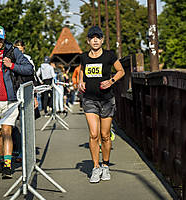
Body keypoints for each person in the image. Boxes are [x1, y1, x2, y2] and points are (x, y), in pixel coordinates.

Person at [79, 26, 125, 183]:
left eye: (98, 37)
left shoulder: (109, 56)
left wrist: (111, 81)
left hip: (106, 100)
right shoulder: (83, 57)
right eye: (92, 38)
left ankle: (105, 166)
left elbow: (121, 71)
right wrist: (80, 82)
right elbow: (81, 71)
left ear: (102, 40)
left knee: (105, 136)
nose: (95, 40)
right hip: (89, 99)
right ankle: (96, 167)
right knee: (94, 134)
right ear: (88, 41)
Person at [0, 25, 34, 179]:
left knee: (7, 131)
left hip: (10, 99)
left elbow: (29, 69)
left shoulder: (13, 51)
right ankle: (2, 159)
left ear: (4, 38)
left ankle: (7, 165)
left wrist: (11, 65)